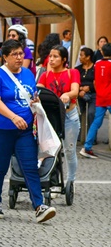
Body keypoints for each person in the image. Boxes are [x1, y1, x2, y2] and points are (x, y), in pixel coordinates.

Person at [0, 39, 56, 223]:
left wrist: (35, 103)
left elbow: (32, 94)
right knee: (0, 167)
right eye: (14, 54)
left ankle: (39, 207)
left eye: (21, 53)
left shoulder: (28, 74)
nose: (19, 57)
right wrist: (13, 117)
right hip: (1, 129)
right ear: (5, 57)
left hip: (24, 130)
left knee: (30, 167)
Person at [37, 45, 81, 193]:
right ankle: (53, 181)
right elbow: (38, 90)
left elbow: (75, 91)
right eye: (50, 56)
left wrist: (68, 95)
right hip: (52, 117)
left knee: (69, 150)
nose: (51, 59)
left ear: (63, 59)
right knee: (51, 149)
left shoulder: (72, 73)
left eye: (55, 56)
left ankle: (70, 181)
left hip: (69, 115)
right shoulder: (45, 75)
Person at [80, 43, 111, 159]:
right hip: (110, 96)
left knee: (96, 123)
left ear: (102, 52)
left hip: (100, 96)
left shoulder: (97, 64)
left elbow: (94, 82)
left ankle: (87, 147)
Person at [76, 47, 96, 136]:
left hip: (93, 93)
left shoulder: (95, 68)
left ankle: (91, 137)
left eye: (81, 55)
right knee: (77, 112)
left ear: (88, 57)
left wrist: (89, 88)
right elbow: (74, 81)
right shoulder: (77, 69)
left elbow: (98, 82)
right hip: (79, 94)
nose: (80, 57)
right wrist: (80, 89)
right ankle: (78, 135)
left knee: (91, 113)